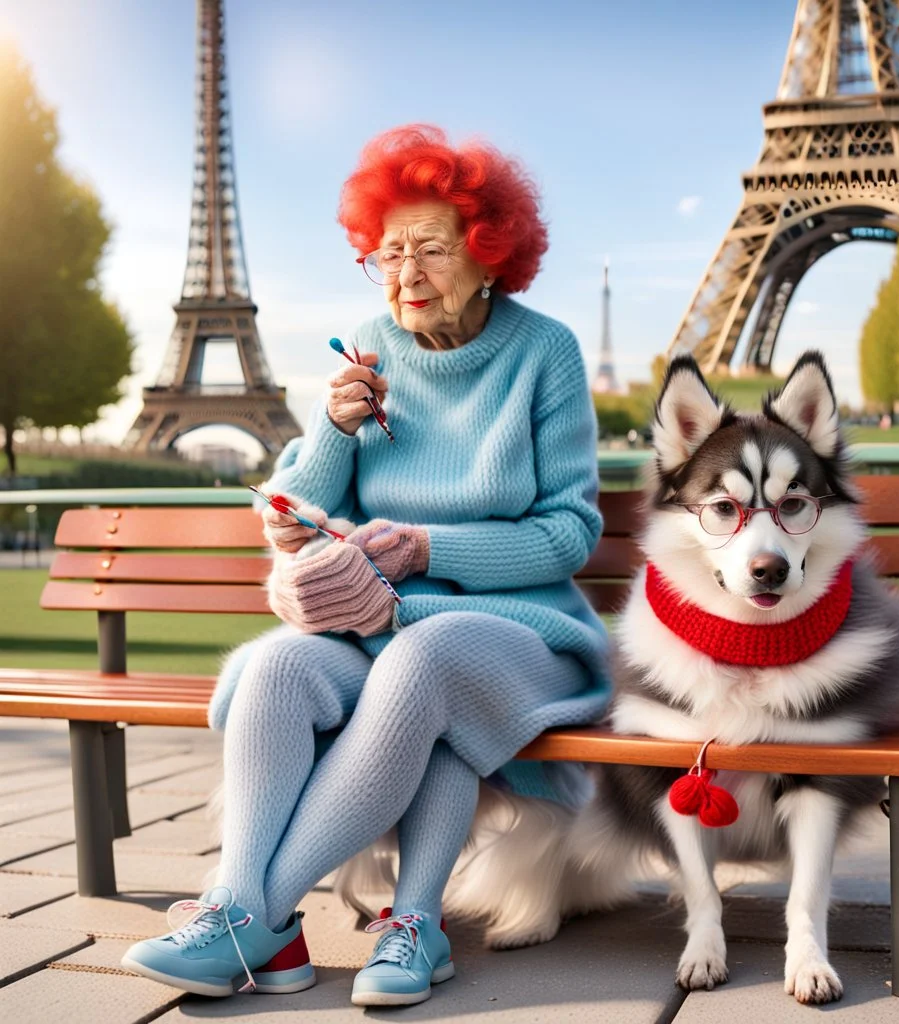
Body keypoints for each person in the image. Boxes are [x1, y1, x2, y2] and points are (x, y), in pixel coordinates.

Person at [121, 125, 609, 1008]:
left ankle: (264, 919)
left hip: (520, 628)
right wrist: (333, 432)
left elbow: (568, 536)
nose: (405, 275)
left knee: (430, 665)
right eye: (388, 254)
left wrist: (431, 549)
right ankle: (278, 920)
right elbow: (295, 515)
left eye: (429, 249)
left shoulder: (547, 353)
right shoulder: (366, 347)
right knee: (272, 665)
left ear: (488, 250)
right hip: (375, 619)